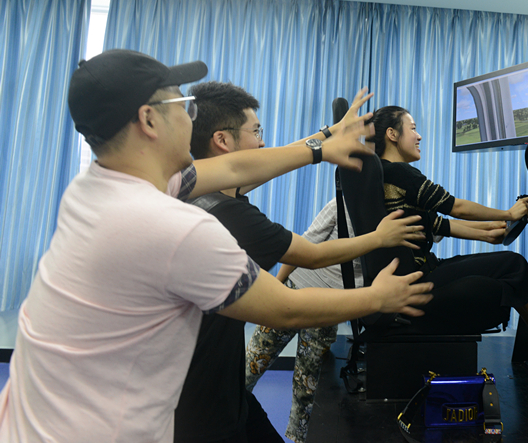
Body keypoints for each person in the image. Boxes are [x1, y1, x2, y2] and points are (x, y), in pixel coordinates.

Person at [0, 50, 433, 443]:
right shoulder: (173, 228)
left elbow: (234, 167)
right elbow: (285, 308)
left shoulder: (100, 185)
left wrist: (322, 143)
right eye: (182, 104)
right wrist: (378, 297)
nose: (191, 117)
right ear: (149, 120)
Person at [175, 81, 425, 443]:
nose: (264, 144)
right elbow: (306, 266)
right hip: (204, 403)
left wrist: (327, 135)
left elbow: (267, 163)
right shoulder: (230, 215)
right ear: (222, 140)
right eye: (256, 132)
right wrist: (379, 261)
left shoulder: (191, 189)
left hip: (216, 388)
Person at [366, 105, 528, 368]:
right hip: (416, 281)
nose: (419, 135)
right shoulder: (399, 173)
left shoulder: (381, 175)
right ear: (392, 134)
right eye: (412, 128)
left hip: (415, 275)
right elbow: (455, 207)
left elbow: (441, 225)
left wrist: (489, 232)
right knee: (512, 264)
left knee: (507, 267)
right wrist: (509, 213)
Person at [244, 198, 358, 443]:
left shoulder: (392, 213)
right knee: (251, 366)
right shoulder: (342, 204)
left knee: (305, 391)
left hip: (325, 307)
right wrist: (277, 286)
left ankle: (297, 439)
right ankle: (224, 424)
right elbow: (303, 245)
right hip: (299, 294)